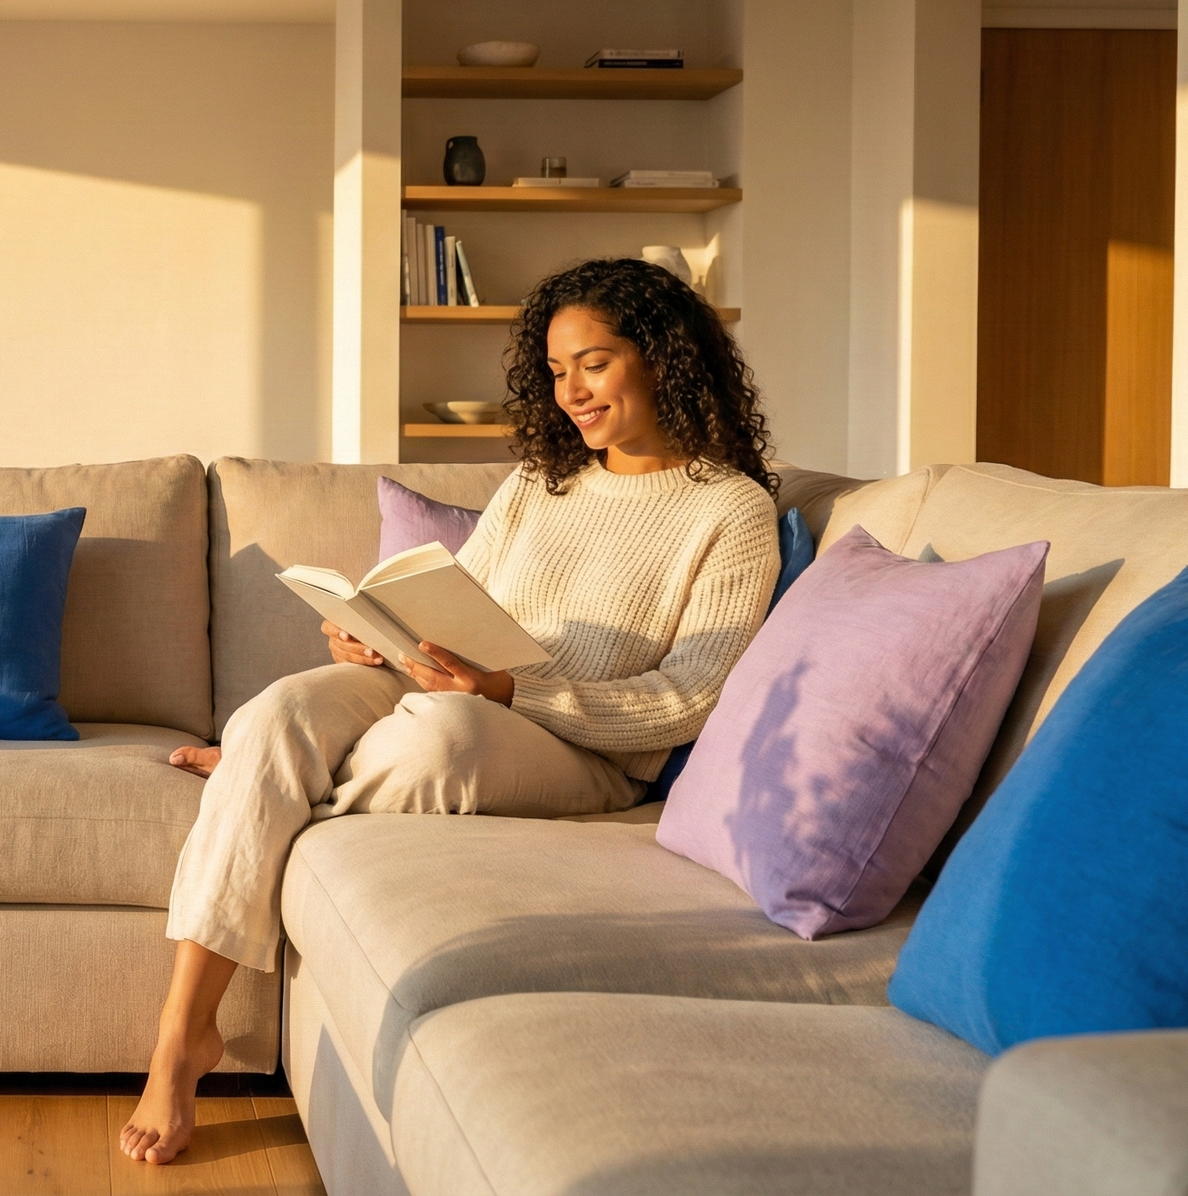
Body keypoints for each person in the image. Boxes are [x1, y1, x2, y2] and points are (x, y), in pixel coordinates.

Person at [118, 257, 783, 1164]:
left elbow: (692, 697)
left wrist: (516, 690)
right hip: (444, 687)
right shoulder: (542, 481)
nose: (571, 393)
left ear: (663, 357)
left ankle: (259, 789)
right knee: (275, 712)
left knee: (437, 738)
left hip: (567, 740)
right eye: (555, 372)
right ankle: (183, 1032)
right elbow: (467, 610)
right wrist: (381, 636)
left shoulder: (732, 510)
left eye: (592, 362)